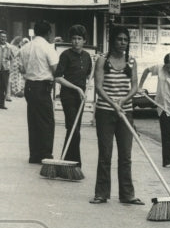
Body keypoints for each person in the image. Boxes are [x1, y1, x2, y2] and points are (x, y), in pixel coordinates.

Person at [91, 26, 142, 205]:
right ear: (112, 40)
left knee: (125, 155)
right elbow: (99, 87)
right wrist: (113, 103)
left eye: (125, 40)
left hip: (125, 112)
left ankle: (127, 195)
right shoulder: (102, 60)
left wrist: (123, 101)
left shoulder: (131, 62)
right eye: (119, 39)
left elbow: (135, 86)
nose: (122, 43)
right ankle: (101, 193)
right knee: (105, 153)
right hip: (105, 111)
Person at [19, 21, 59, 164]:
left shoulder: (25, 47)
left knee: (33, 120)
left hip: (29, 86)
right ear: (49, 33)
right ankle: (46, 153)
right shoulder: (48, 48)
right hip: (43, 87)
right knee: (47, 121)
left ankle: (34, 154)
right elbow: (56, 70)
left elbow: (22, 69)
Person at [139, 54, 170, 168]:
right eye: (167, 67)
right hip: (162, 106)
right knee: (166, 134)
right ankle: (168, 161)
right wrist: (140, 86)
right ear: (164, 65)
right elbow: (146, 71)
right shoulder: (159, 68)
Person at [54, 25, 93, 169]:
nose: (76, 41)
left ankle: (66, 162)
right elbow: (58, 77)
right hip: (68, 95)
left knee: (74, 129)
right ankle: (75, 164)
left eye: (79, 39)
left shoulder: (87, 56)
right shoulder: (65, 55)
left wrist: (89, 80)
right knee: (73, 128)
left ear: (84, 41)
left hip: (81, 96)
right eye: (74, 38)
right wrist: (76, 88)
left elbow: (89, 74)